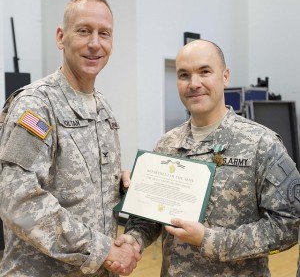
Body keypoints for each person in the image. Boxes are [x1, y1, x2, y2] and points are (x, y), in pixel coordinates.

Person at [114, 40, 300, 276]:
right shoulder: (167, 145)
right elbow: (149, 218)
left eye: (204, 72)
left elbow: (289, 225)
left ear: (225, 76)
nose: (194, 84)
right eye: (184, 75)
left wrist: (210, 240)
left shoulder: (261, 144)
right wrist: (133, 240)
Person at [0, 0, 140, 277]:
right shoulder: (36, 105)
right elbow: (18, 198)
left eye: (104, 34)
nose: (94, 43)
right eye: (84, 31)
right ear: (61, 37)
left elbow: (81, 181)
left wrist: (120, 183)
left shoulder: (103, 108)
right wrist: (101, 250)